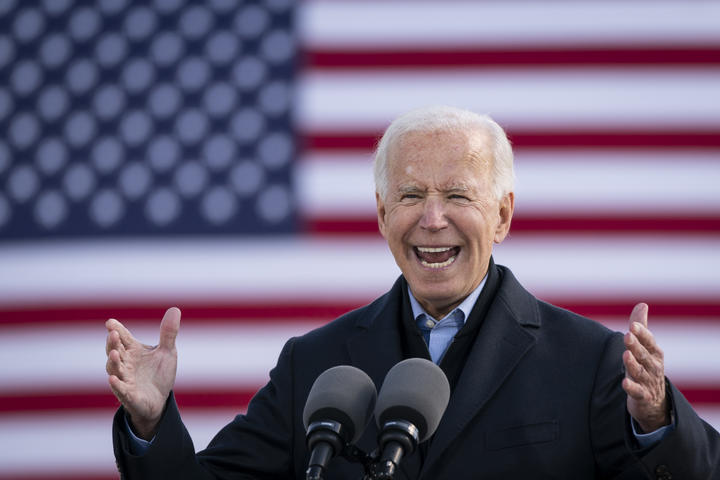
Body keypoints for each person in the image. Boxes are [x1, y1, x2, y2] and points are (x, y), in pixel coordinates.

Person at [107, 106, 720, 479]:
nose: (432, 220)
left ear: (502, 216)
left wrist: (659, 423)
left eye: (457, 196)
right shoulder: (314, 364)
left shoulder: (593, 363)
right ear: (380, 214)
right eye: (409, 196)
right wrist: (151, 420)